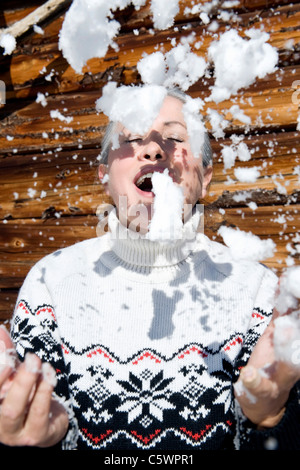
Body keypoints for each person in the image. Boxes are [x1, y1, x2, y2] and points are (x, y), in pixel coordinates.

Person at [0, 86, 299, 451]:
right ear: (105, 174)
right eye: (133, 138)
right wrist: (27, 437)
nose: (155, 148)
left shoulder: (256, 290)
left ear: (205, 178)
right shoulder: (51, 282)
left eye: (175, 137)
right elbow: (26, 418)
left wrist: (270, 418)